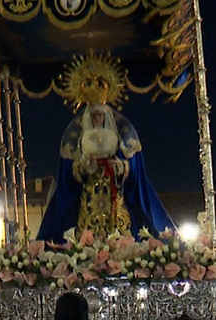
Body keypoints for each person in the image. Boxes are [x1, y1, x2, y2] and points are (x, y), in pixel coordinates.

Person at [36, 97, 176, 242]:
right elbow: (70, 174)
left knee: (119, 230)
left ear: (105, 116)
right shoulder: (81, 137)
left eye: (100, 115)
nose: (97, 118)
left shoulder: (118, 134)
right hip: (90, 195)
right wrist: (83, 168)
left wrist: (121, 167)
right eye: (93, 115)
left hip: (113, 193)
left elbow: (133, 167)